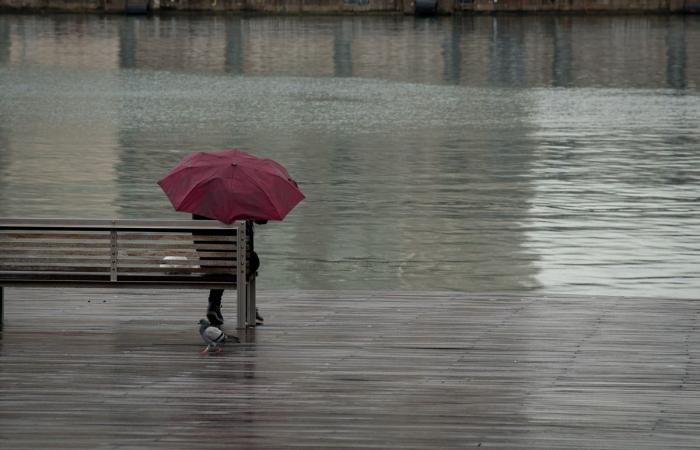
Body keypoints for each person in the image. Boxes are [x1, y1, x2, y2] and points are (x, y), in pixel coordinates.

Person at [192, 214, 265, 327]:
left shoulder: (200, 204)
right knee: (251, 260)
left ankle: (214, 304)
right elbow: (262, 220)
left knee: (225, 260)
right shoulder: (238, 201)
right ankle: (247, 308)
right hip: (233, 259)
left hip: (207, 260)